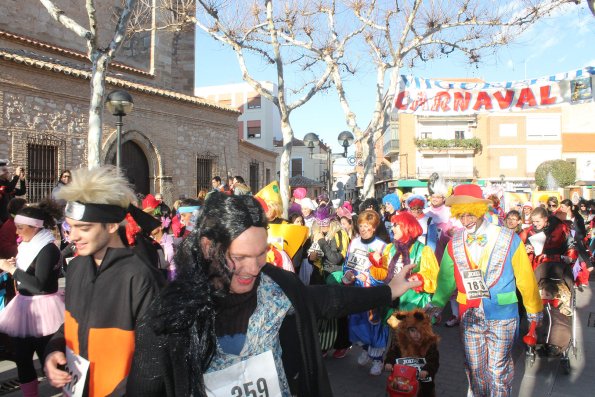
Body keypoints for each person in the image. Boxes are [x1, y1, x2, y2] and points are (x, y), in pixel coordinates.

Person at [126, 193, 420, 396]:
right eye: (239, 257)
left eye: (261, 254)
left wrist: (389, 290)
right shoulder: (170, 313)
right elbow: (145, 388)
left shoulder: (280, 288)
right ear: (207, 248)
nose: (253, 269)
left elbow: (331, 299)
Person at [44, 166, 162, 397]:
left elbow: (152, 362)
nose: (73, 236)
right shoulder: (77, 267)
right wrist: (53, 350)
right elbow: (71, 324)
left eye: (83, 228)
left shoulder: (140, 277)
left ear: (111, 226)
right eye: (70, 227)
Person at [426, 184, 542, 397]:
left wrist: (533, 307)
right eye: (461, 215)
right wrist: (437, 303)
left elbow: (525, 277)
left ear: (480, 211)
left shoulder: (508, 238)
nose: (466, 220)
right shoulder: (455, 242)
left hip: (502, 313)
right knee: (475, 368)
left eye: (471, 214)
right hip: (469, 313)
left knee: (498, 370)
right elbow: (446, 278)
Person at [0, 199, 64, 397]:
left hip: (44, 309)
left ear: (34, 227)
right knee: (22, 358)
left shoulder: (48, 248)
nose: (17, 232)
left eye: (20, 228)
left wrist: (13, 270)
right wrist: (15, 265)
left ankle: (68, 391)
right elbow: (27, 272)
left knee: (50, 358)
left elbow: (39, 284)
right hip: (24, 307)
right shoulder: (29, 245)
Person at [342, 209, 389, 376]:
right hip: (355, 291)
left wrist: (366, 277)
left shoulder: (382, 246)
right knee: (357, 324)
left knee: (374, 325)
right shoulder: (354, 242)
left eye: (367, 226)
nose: (363, 229)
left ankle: (377, 359)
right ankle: (365, 350)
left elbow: (384, 274)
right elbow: (348, 263)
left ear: (374, 227)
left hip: (372, 293)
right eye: (361, 225)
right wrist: (347, 273)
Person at [376, 212, 439, 312]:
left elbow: (433, 278)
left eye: (396, 225)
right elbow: (383, 275)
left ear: (406, 227)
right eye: (392, 226)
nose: (392, 229)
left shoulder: (423, 250)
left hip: (413, 304)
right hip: (390, 302)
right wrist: (377, 264)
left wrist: (420, 278)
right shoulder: (389, 248)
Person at [384, 309, 440, 397]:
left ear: (425, 330)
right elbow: (393, 353)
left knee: (425, 393)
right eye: (412, 331)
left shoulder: (429, 344)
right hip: (403, 381)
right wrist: (389, 362)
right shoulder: (402, 342)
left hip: (422, 383)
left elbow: (433, 360)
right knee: (393, 391)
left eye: (419, 331)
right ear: (406, 331)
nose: (416, 334)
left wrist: (427, 370)